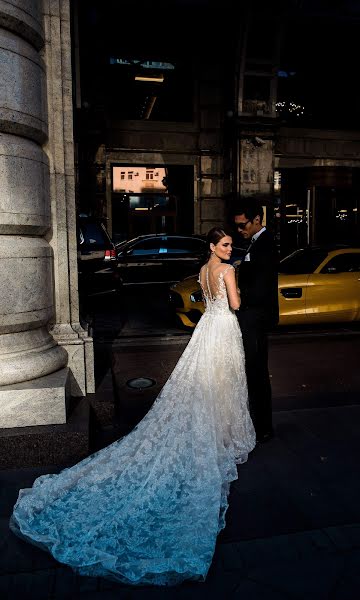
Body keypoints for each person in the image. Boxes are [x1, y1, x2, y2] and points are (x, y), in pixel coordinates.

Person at [9, 227, 255, 587]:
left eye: (231, 245)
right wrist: (238, 286)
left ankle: (214, 427)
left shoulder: (203, 270)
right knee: (223, 380)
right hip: (224, 328)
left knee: (205, 382)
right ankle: (221, 431)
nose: (230, 249)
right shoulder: (228, 270)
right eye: (226, 245)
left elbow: (208, 300)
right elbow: (235, 304)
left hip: (206, 329)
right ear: (214, 247)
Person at [233, 200, 279, 443]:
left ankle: (263, 427)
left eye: (243, 225)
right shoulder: (256, 243)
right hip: (253, 317)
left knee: (257, 373)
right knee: (254, 372)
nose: (240, 230)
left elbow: (261, 288)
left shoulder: (265, 244)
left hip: (256, 318)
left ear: (257, 220)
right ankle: (260, 424)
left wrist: (237, 296)